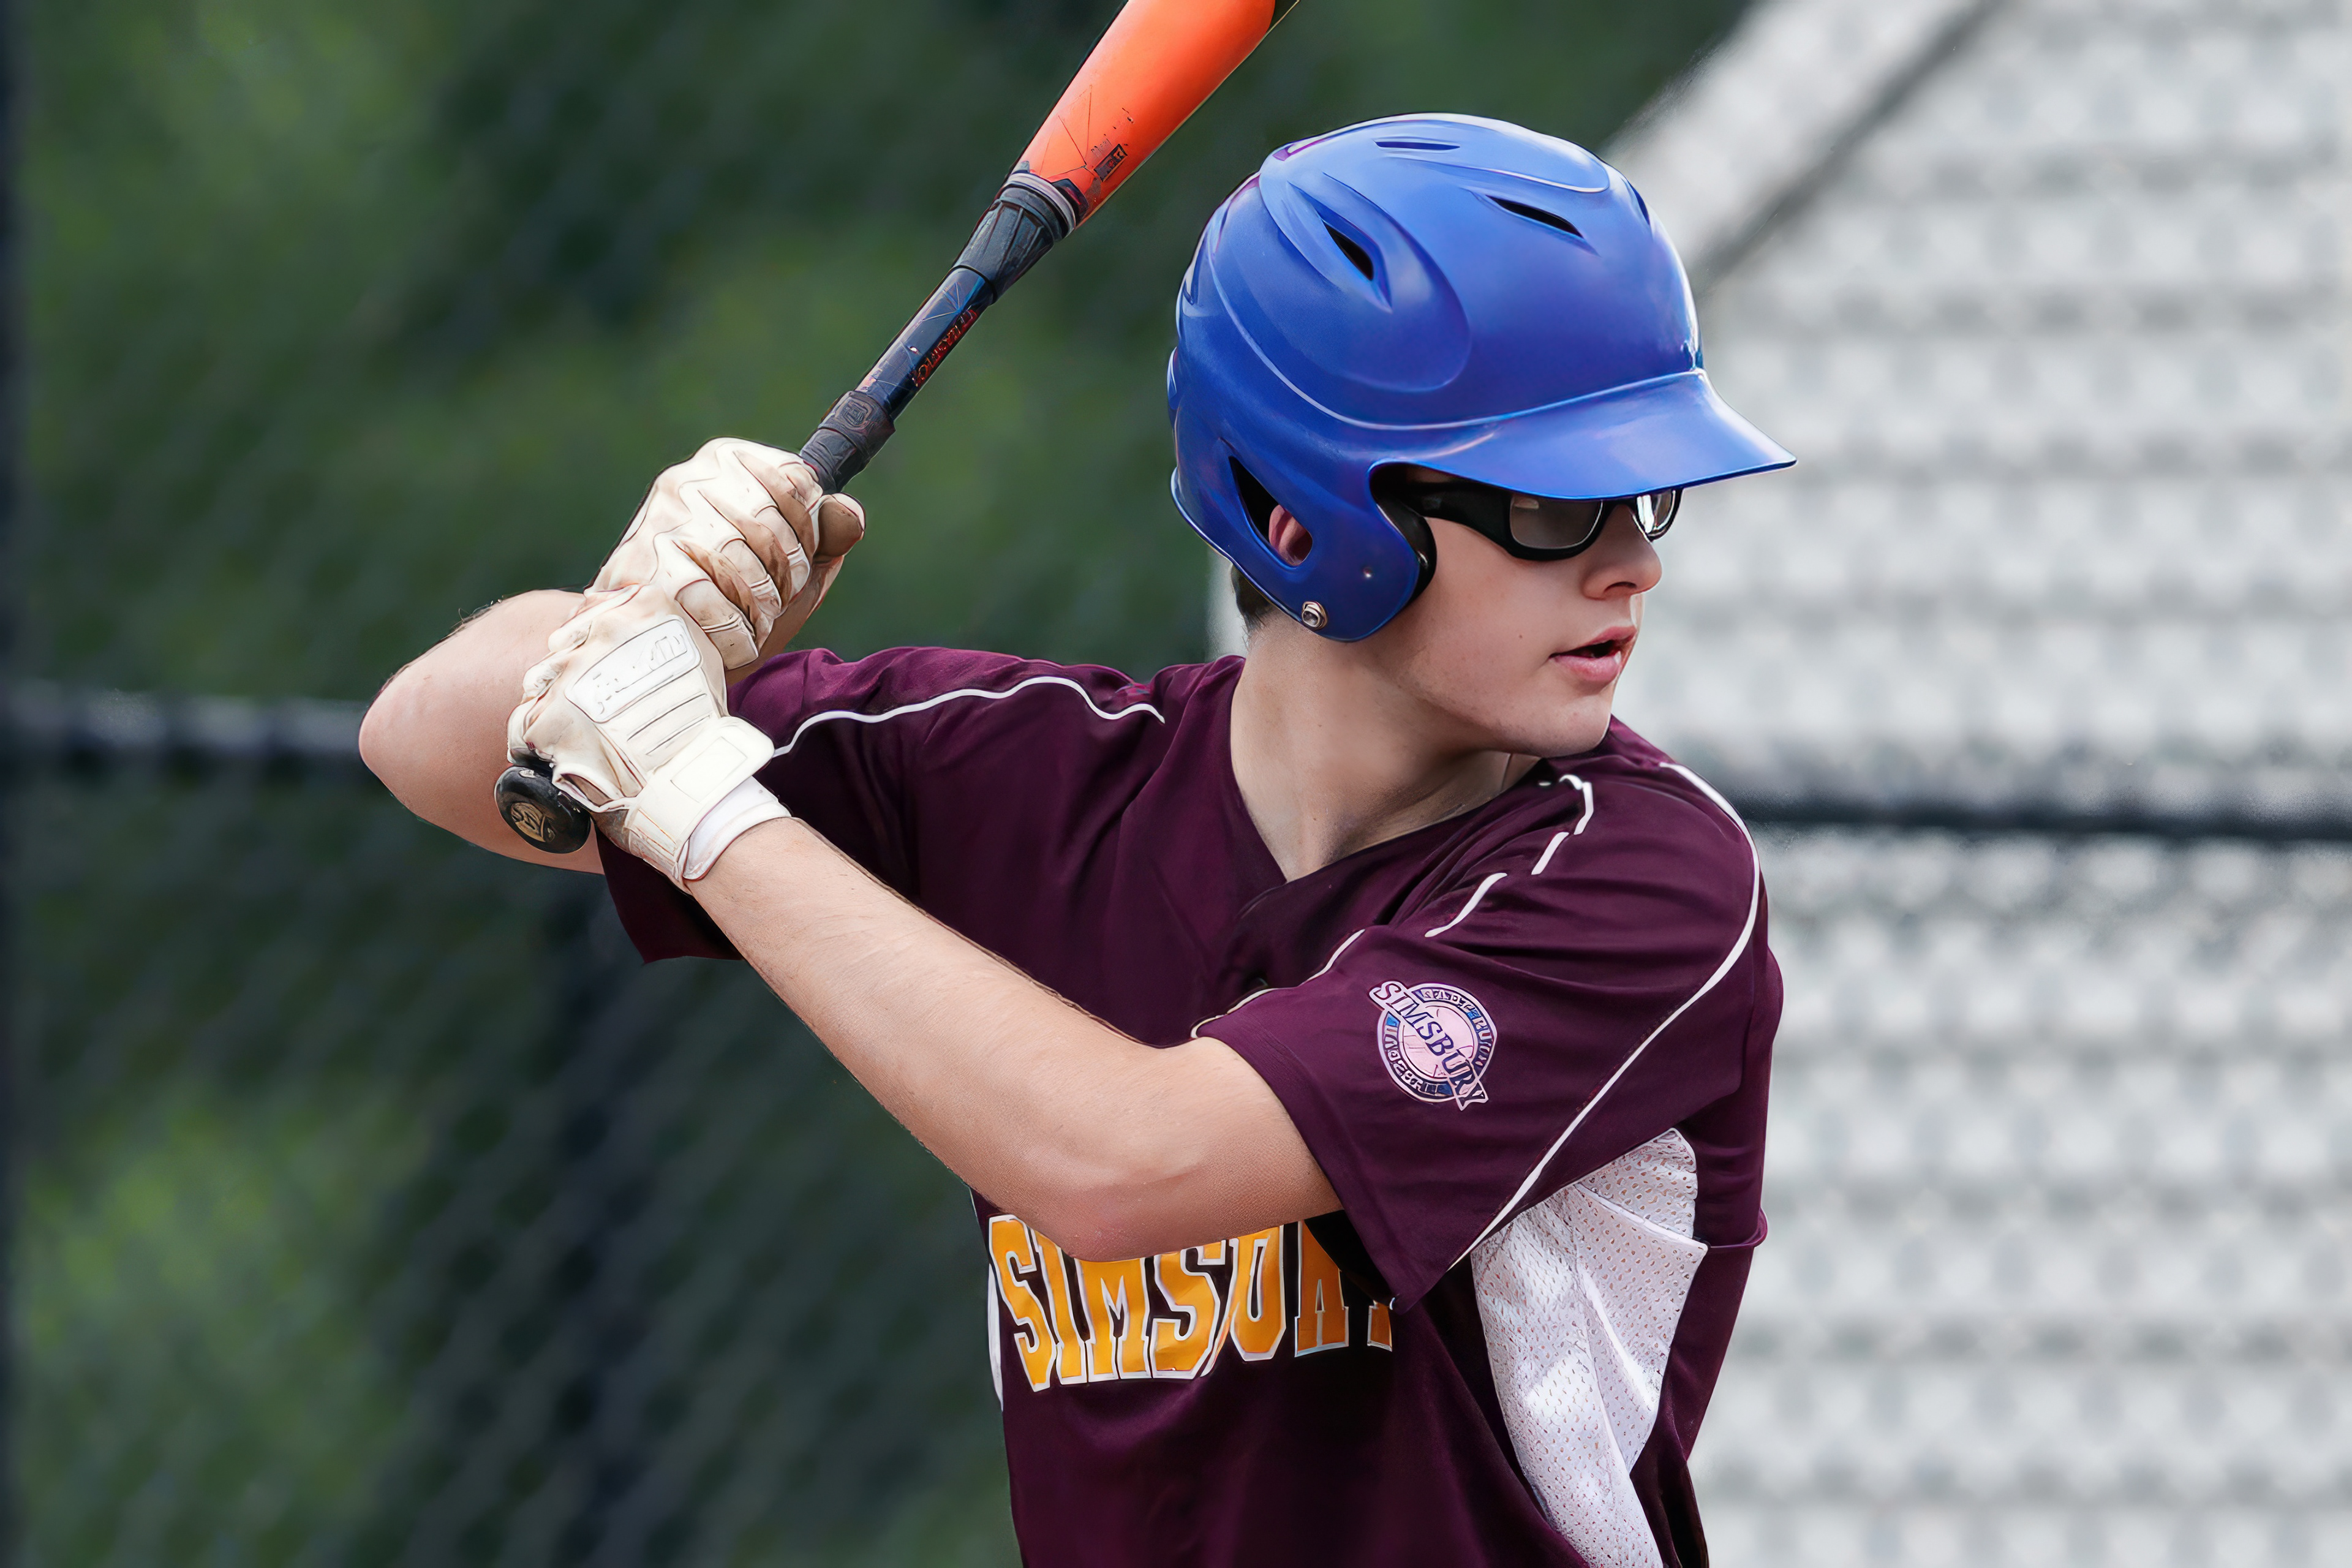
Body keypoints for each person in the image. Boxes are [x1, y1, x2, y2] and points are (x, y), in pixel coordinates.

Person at [363, 114, 1794, 1568]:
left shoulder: (1638, 877)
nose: (1635, 562)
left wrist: (700, 797)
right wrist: (640, 619)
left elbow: (1126, 1166)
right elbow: (422, 737)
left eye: (1648, 496)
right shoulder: (1036, 771)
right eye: (1557, 505)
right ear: (1301, 519)